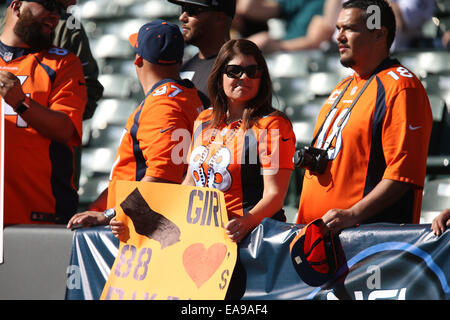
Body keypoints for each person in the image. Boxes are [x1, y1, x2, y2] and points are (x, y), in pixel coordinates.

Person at [295, 0, 433, 234]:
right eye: (338, 28)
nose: (339, 36)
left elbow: (402, 176)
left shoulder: (402, 87)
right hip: (320, 241)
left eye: (349, 28)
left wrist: (352, 215)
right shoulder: (342, 87)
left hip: (366, 248)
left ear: (379, 35)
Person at [66, 20, 204, 229]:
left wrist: (110, 213)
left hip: (138, 227)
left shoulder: (163, 104)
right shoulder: (187, 94)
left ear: (138, 59)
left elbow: (162, 178)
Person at [183, 38, 296, 243]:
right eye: (234, 71)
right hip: (203, 237)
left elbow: (275, 196)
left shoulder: (273, 124)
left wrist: (245, 222)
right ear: (219, 77)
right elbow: (190, 182)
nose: (244, 77)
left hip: (250, 239)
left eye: (252, 71)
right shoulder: (203, 119)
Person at [1, 0, 87, 224]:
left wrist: (20, 102)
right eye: (49, 5)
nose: (55, 15)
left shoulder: (63, 62)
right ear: (17, 6)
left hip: (41, 213)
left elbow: (65, 129)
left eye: (60, 10)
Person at [167, 0, 236, 108]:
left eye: (192, 10)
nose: (182, 17)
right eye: (183, 9)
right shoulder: (184, 66)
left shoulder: (238, 70)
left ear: (219, 17)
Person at [235, 0, 325, 54]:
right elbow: (248, 8)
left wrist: (278, 46)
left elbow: (315, 41)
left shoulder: (326, 2)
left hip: (303, 58)